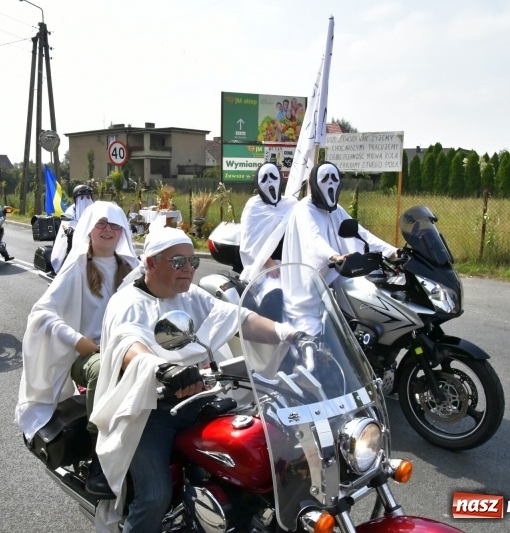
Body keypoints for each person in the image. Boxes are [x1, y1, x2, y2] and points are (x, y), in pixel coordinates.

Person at [90, 224, 308, 532]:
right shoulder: (126, 302)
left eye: (192, 262)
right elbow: (128, 344)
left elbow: (237, 318)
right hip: (148, 411)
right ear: (151, 263)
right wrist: (162, 368)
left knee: (263, 455)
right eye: (178, 262)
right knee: (154, 496)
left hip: (200, 397)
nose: (188, 269)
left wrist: (289, 333)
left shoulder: (190, 296)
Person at [16, 201, 138, 500]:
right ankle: (102, 456)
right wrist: (78, 341)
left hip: (133, 347)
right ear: (90, 229)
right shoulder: (77, 269)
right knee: (103, 369)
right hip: (88, 355)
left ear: (123, 230)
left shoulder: (134, 269)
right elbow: (42, 313)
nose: (108, 230)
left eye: (114, 224)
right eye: (101, 224)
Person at [281, 161, 398, 333]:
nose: (330, 182)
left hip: (333, 279)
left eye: (334, 178)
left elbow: (361, 234)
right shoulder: (304, 210)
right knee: (311, 337)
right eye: (325, 178)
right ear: (315, 183)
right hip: (307, 290)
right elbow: (313, 239)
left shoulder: (335, 210)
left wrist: (392, 251)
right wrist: (334, 256)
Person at [238, 163, 298, 320]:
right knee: (275, 295)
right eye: (264, 178)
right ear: (258, 183)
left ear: (280, 180)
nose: (270, 181)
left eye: (273, 177)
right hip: (264, 267)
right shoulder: (253, 206)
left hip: (292, 264)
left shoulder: (291, 204)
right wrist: (268, 262)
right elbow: (249, 242)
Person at [50, 184, 94, 273]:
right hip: (75, 238)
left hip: (93, 238)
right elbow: (65, 222)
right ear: (76, 199)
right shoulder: (72, 209)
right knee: (69, 255)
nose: (85, 200)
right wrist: (68, 229)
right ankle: (65, 271)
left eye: (88, 197)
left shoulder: (96, 209)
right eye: (82, 198)